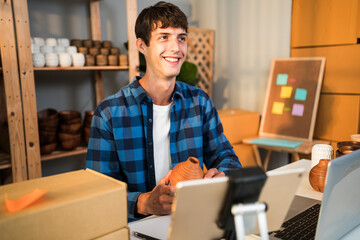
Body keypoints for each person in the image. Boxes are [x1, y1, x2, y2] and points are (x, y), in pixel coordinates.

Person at [86, 1, 241, 222]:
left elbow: (226, 156)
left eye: (181, 38)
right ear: (142, 45)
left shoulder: (200, 102)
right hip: (138, 228)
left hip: (193, 220)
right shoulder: (109, 113)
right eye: (164, 37)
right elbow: (97, 193)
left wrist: (223, 172)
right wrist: (144, 202)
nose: (176, 48)